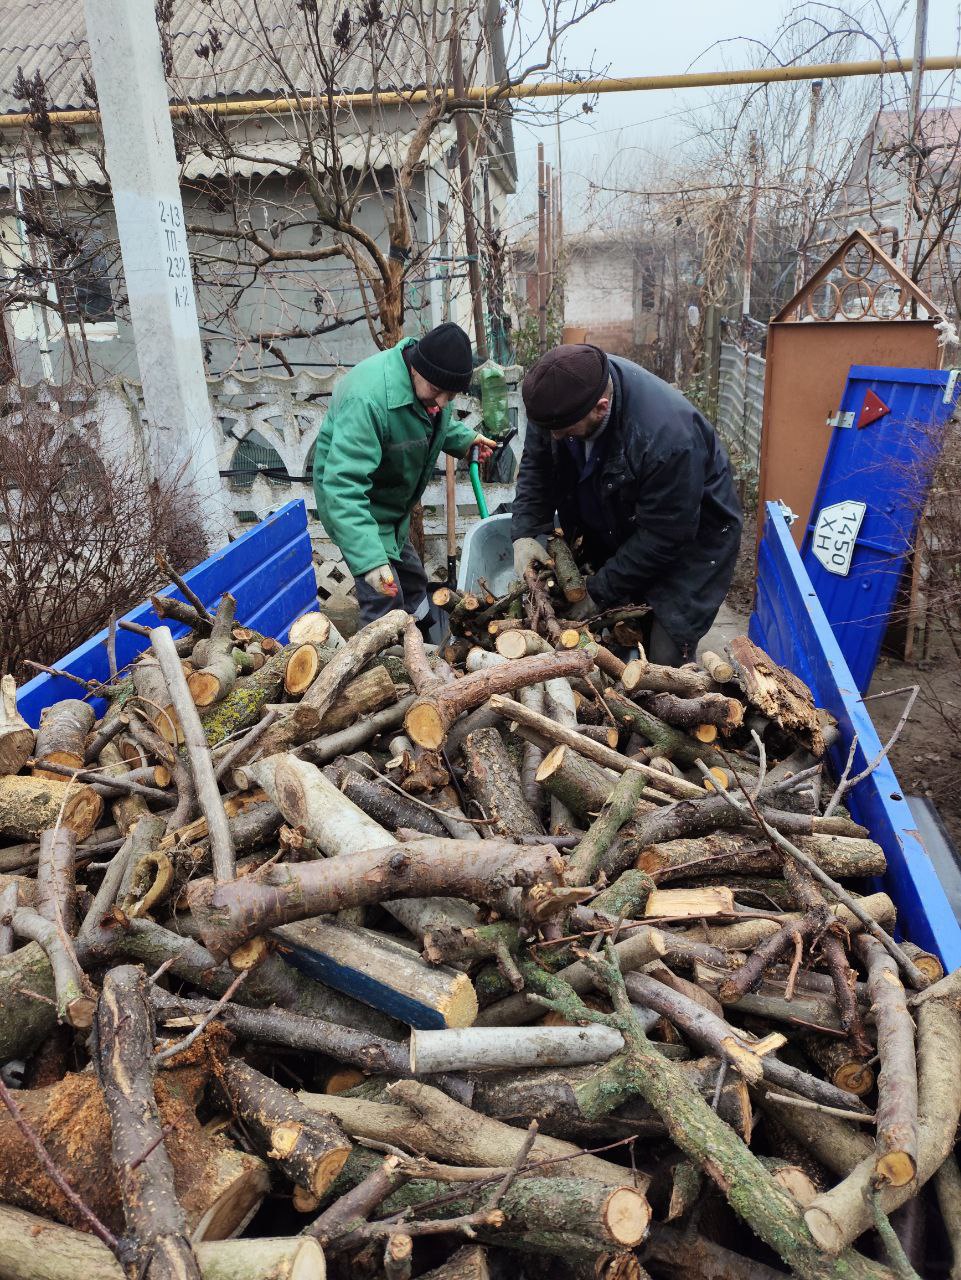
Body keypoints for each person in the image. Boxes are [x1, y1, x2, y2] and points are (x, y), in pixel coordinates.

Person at [511, 344, 742, 666]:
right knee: (612, 636)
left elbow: (666, 535)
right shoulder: (557, 399)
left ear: (601, 408)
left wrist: (598, 591)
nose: (556, 436)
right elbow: (538, 467)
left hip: (691, 539)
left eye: (565, 431)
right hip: (617, 512)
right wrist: (526, 531)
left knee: (662, 656)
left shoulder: (666, 438)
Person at [313, 323, 495, 626]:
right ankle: (379, 664)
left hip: (390, 511)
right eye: (437, 391)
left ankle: (421, 645)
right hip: (358, 512)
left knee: (413, 583)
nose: (441, 402)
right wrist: (370, 561)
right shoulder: (368, 399)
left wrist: (464, 440)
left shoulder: (429, 387)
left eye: (450, 395)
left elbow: (431, 421)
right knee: (384, 596)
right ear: (416, 368)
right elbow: (342, 488)